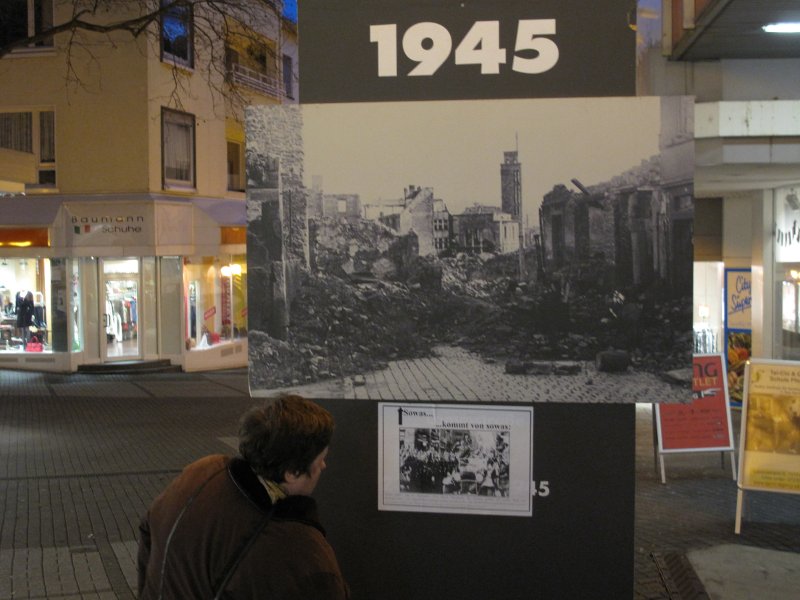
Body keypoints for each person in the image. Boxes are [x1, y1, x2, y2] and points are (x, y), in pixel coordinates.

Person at [137, 394, 350, 600]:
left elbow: (148, 529)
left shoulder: (203, 472)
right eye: (320, 459)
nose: (324, 465)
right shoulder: (306, 555)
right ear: (292, 473)